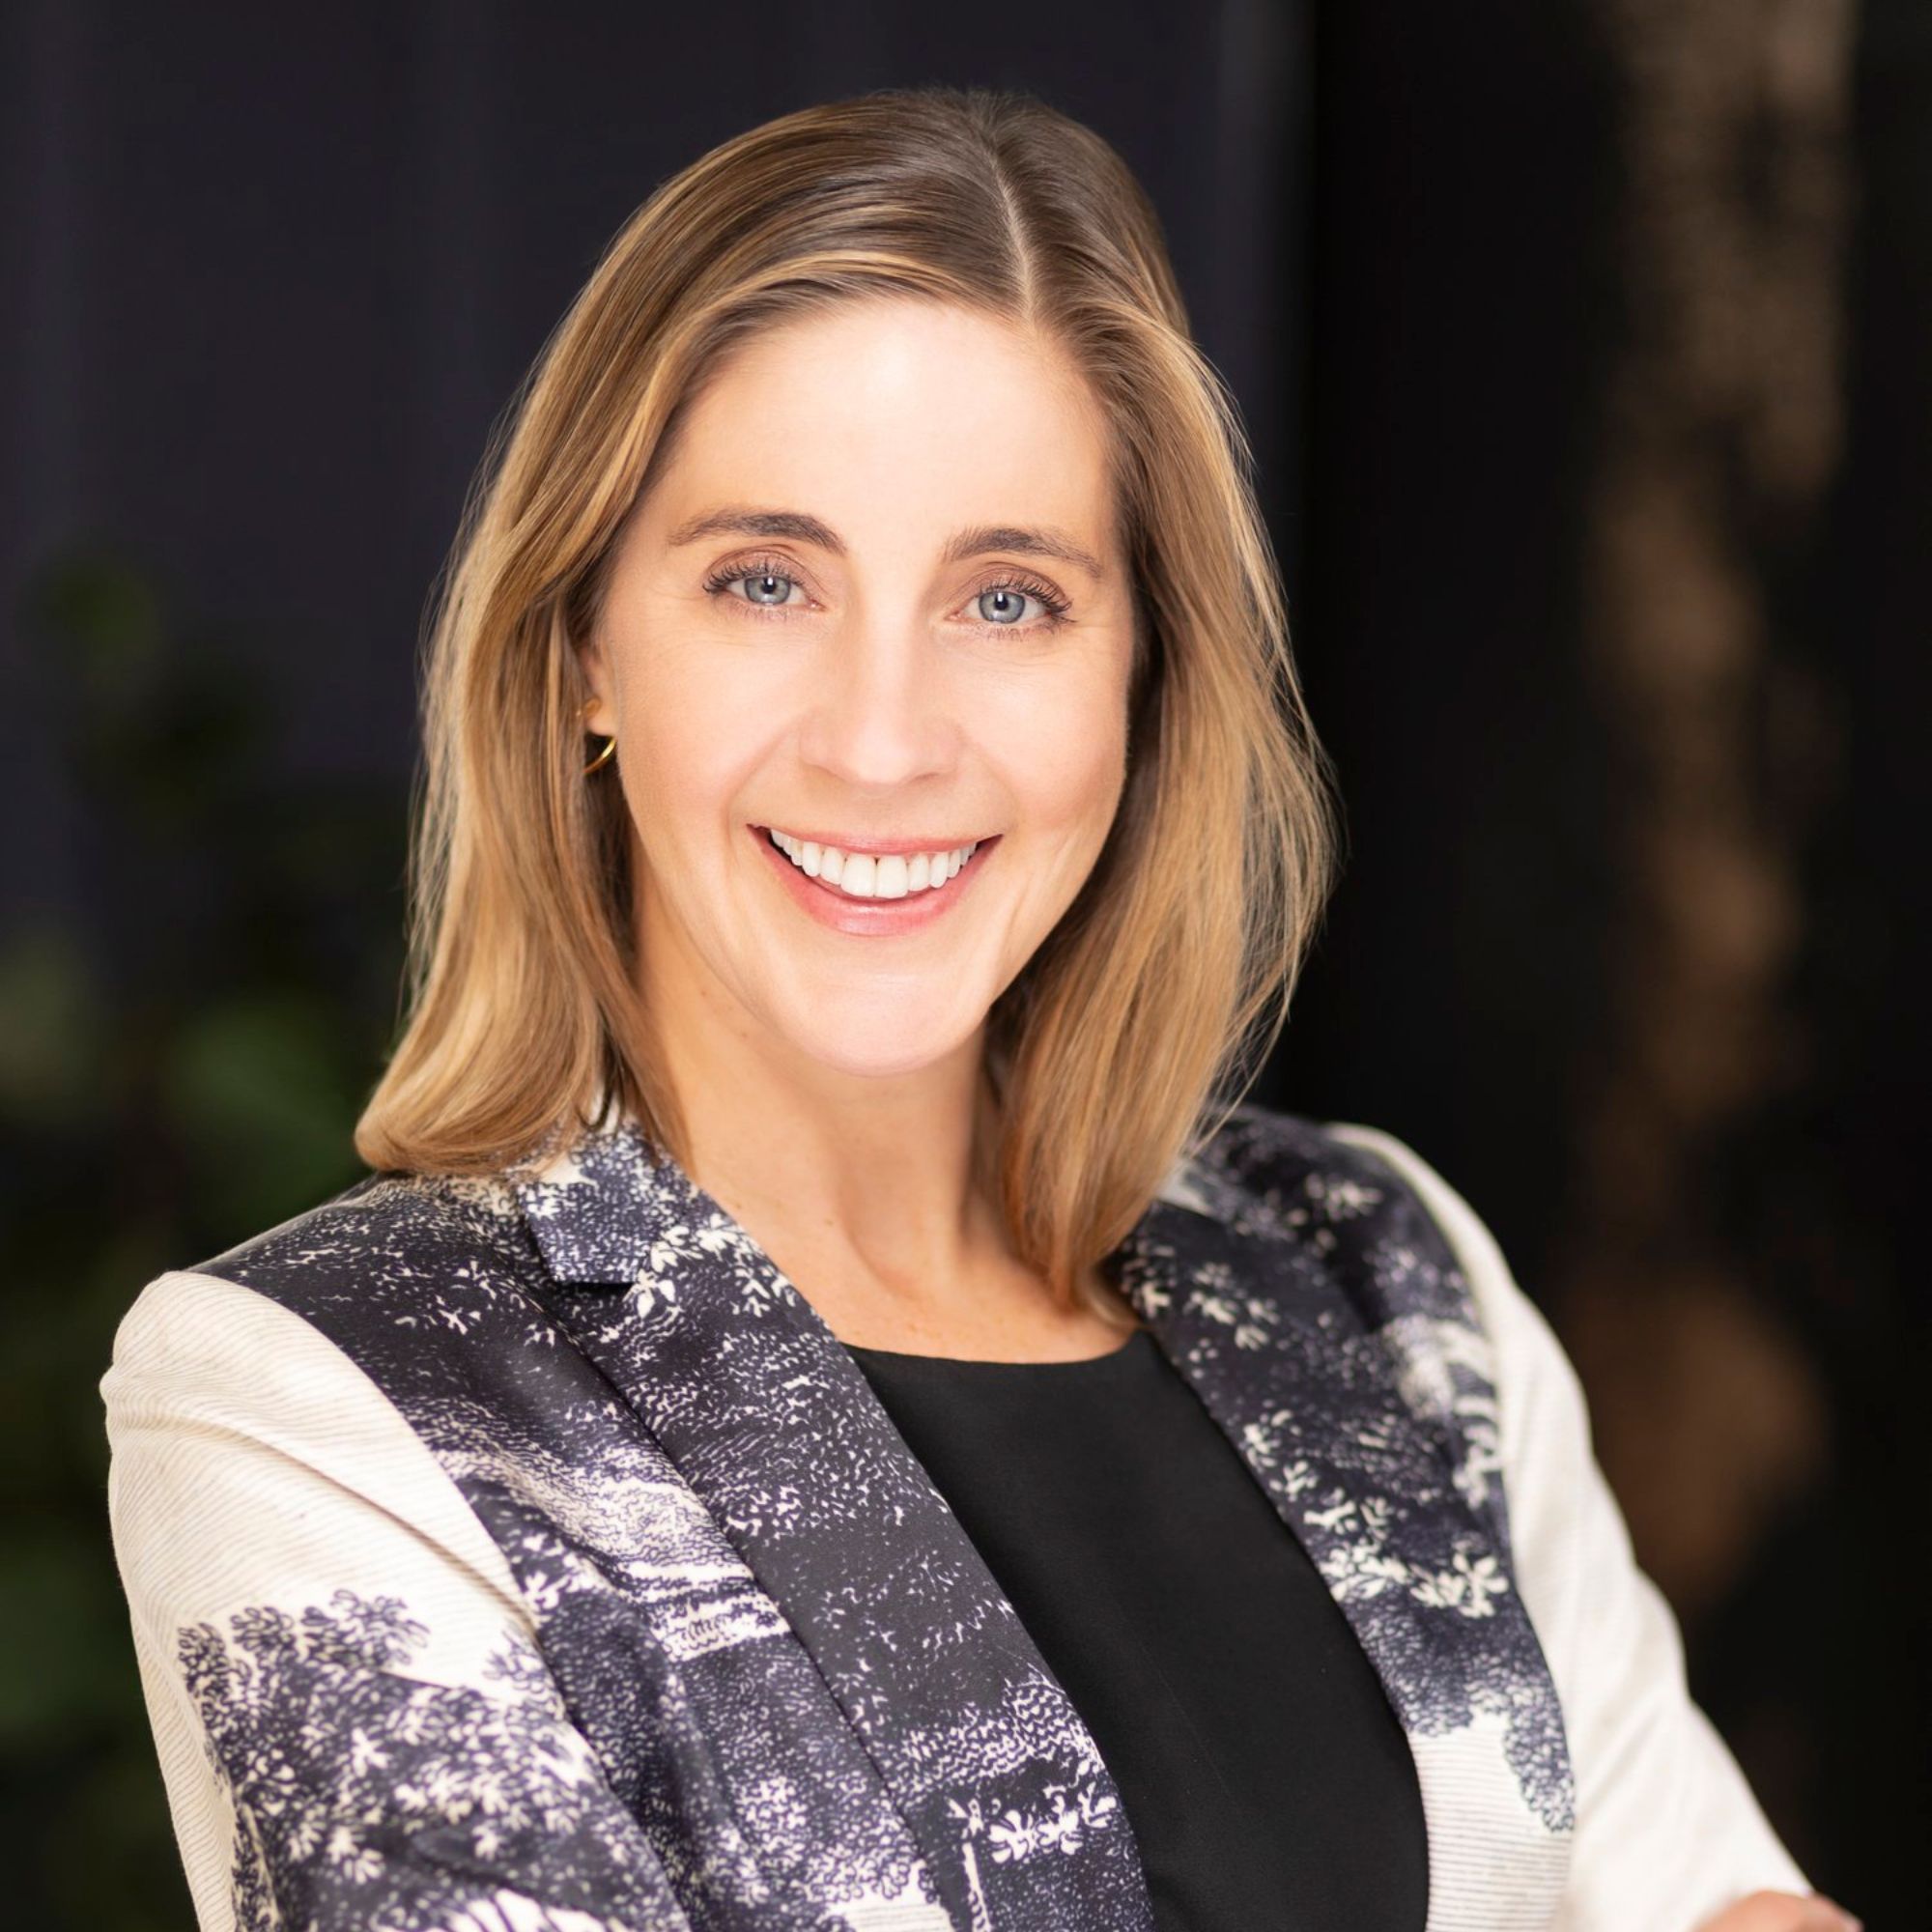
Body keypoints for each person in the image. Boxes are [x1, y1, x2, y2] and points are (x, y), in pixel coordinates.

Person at [99, 84, 1858, 1932]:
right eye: (764, 581)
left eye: (1009, 600)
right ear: (585, 652)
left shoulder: (1384, 1282)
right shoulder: (326, 1393)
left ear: (1142, 679)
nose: (883, 740)